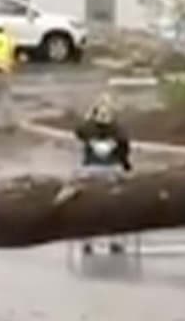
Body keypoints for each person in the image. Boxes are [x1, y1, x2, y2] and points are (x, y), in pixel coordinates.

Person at [74, 94, 133, 255]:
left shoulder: (88, 129)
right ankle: (116, 241)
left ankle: (87, 241)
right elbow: (124, 150)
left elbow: (78, 131)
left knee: (87, 206)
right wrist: (126, 166)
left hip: (90, 170)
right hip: (113, 169)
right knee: (116, 206)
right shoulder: (118, 130)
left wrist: (89, 116)